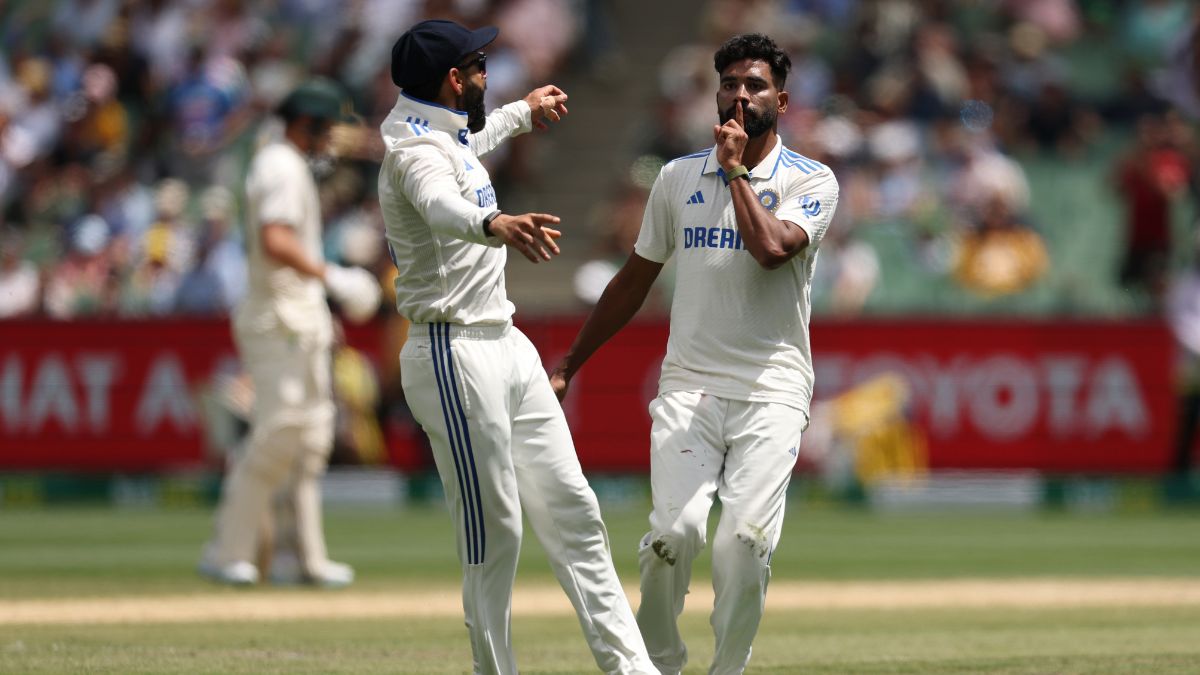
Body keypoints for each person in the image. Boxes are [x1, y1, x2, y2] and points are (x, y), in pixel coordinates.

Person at [550, 33, 840, 675]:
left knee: (744, 542)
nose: (740, 94)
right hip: (690, 386)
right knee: (669, 540)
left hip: (772, 388)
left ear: (782, 100)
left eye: (755, 85)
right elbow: (635, 277)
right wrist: (572, 361)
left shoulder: (811, 180)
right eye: (730, 83)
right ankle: (657, 664)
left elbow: (770, 251)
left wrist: (735, 171)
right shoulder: (678, 178)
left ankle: (727, 669)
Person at [379, 19, 656, 675]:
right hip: (450, 352)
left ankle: (631, 668)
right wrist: (494, 222)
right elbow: (441, 202)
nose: (486, 75)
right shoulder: (410, 151)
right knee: (495, 529)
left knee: (573, 508)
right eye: (479, 66)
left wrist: (520, 114)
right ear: (453, 79)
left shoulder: (444, 130)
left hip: (503, 340)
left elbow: (472, 140)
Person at [198, 78, 380, 587]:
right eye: (327, 131)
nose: (331, 142)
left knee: (312, 439)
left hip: (299, 318)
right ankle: (226, 549)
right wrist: (333, 277)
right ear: (306, 125)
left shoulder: (290, 163)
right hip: (275, 318)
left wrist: (322, 304)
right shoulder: (277, 165)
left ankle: (306, 558)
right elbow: (274, 239)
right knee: (280, 433)